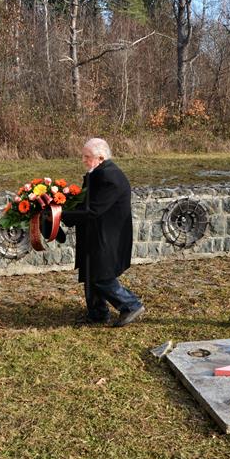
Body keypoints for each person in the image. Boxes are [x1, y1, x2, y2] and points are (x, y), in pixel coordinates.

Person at [61, 138, 146, 327]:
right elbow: (87, 203)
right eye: (83, 156)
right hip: (97, 233)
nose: (83, 160)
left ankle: (131, 304)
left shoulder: (109, 177)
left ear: (100, 157)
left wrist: (60, 214)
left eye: (87, 156)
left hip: (108, 236)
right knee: (91, 272)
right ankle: (97, 313)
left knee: (101, 276)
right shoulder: (99, 173)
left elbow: (93, 210)